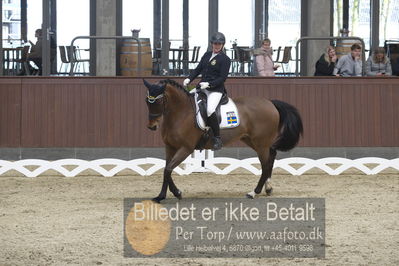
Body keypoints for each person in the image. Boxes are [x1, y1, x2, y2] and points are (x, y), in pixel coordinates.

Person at [183, 32, 231, 150]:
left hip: (215, 90)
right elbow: (198, 69)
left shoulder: (225, 59)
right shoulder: (206, 55)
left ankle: (217, 138)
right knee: (188, 98)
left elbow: (222, 78)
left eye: (219, 44)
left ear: (223, 45)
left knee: (210, 110)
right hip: (202, 87)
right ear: (211, 44)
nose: (217, 45)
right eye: (215, 43)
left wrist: (209, 84)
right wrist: (189, 78)